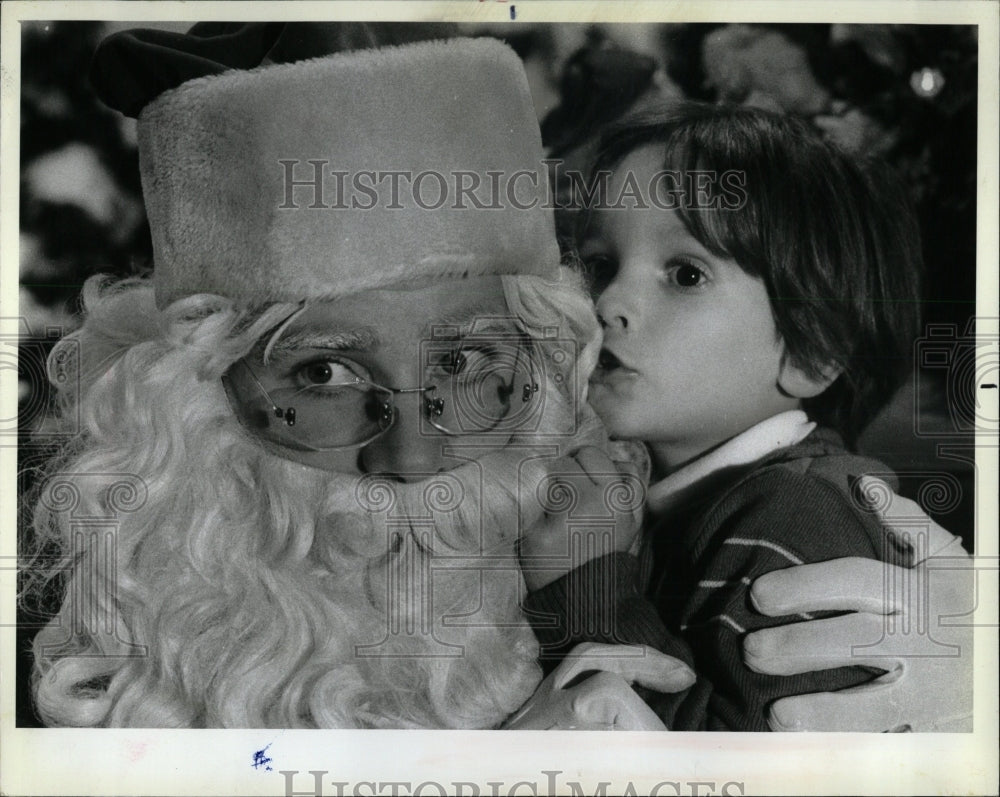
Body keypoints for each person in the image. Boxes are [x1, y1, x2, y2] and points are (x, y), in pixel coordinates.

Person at [23, 26, 973, 732]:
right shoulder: (105, 636)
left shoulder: (789, 524)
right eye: (320, 371)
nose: (412, 454)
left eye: (467, 362)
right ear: (191, 404)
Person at [518, 102, 974, 731]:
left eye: (684, 274)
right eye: (599, 265)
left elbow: (742, 762)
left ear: (811, 351)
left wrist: (584, 586)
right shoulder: (695, 498)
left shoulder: (793, 518)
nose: (609, 303)